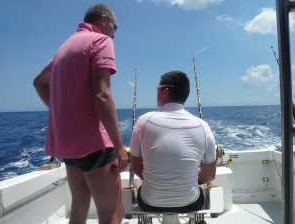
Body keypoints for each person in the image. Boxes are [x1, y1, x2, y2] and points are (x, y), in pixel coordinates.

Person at [33, 4, 128, 224]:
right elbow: (102, 96)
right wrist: (119, 147)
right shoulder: (101, 41)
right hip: (94, 142)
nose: (114, 34)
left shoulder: (63, 48)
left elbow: (39, 83)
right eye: (115, 28)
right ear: (104, 21)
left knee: (79, 205)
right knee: (112, 211)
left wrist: (66, 112)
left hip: (67, 143)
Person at [130, 70, 216, 213]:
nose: (156, 93)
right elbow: (209, 175)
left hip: (150, 203)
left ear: (165, 92)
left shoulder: (143, 121)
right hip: (191, 204)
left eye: (157, 89)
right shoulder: (203, 127)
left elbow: (136, 167)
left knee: (139, 184)